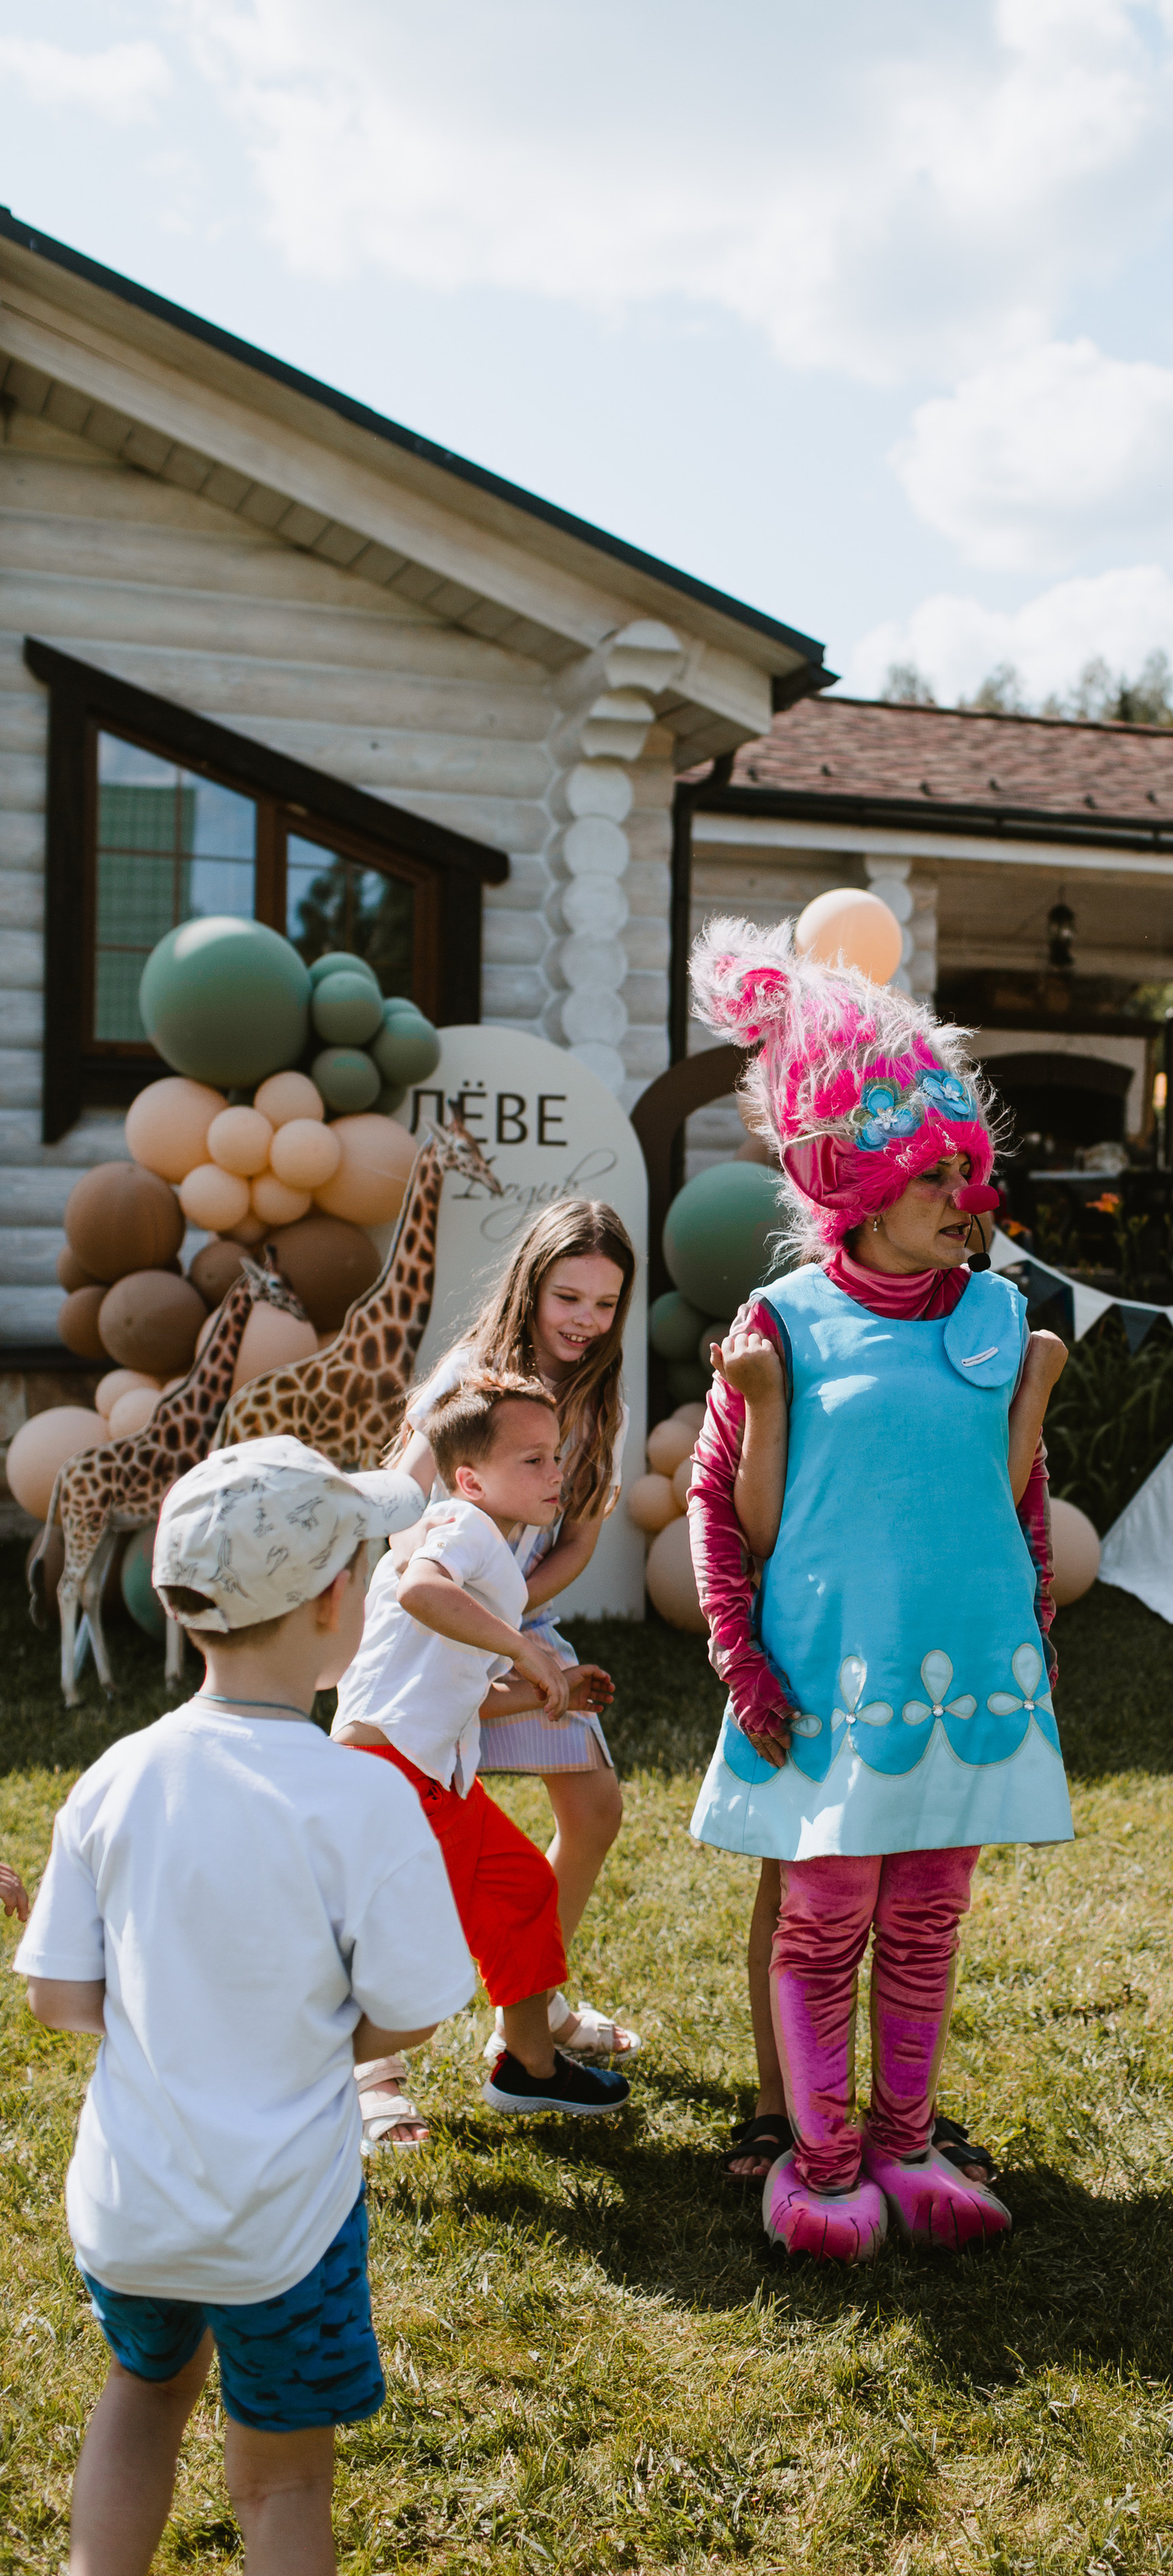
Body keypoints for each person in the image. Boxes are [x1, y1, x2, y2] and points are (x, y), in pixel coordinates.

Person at [12, 1436, 477, 2576]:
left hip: (133, 2207)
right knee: (283, 2495)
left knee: (140, 2399)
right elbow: (416, 2009)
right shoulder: (361, 1797)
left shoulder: (110, 1779)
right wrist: (323, 2029)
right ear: (333, 1604)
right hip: (289, 2223)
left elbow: (60, 1995)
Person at [684, 916, 1072, 2262]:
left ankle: (908, 2148)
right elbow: (722, 1514)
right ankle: (824, 2159)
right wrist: (741, 1659)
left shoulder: (993, 1315)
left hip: (962, 1674)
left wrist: (1033, 1620)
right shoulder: (784, 1324)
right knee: (826, 1915)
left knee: (927, 1916)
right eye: (935, 1179)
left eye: (971, 1173)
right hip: (828, 1677)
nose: (968, 1201)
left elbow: (1007, 1489)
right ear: (852, 1178)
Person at [333, 1373, 632, 2136]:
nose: (555, 1473)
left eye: (554, 1457)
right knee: (413, 1967)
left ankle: (527, 2068)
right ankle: (319, 2074)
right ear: (469, 1478)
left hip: (430, 1773)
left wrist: (547, 1687)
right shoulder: (460, 1526)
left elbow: (458, 1691)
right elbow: (418, 1594)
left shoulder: (490, 1554)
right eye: (530, 1460)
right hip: (392, 1775)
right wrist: (522, 1652)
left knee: (525, 1886)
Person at [395, 1197, 639, 2077]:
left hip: (522, 1618)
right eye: (568, 1297)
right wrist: (480, 1614)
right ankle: (373, 2071)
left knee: (595, 1808)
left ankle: (527, 2010)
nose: (586, 1321)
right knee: (406, 1845)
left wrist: (516, 1613)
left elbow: (578, 1539)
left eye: (606, 1305)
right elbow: (400, 1502)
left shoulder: (597, 1393)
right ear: (532, 1286)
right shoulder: (472, 1375)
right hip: (438, 1622)